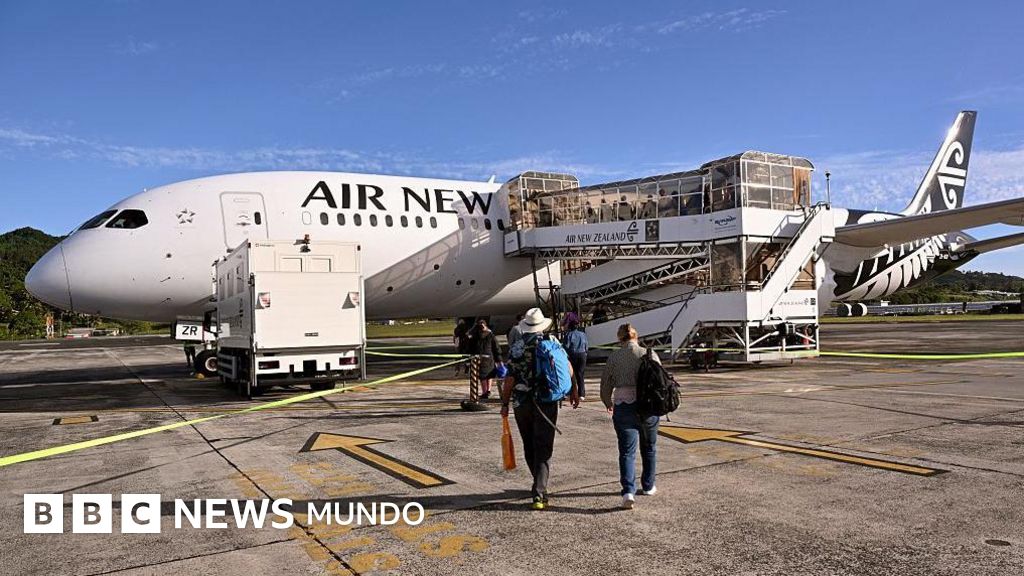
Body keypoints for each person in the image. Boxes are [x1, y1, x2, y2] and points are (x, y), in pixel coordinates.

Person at [500, 308, 579, 510]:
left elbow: (509, 379)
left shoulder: (516, 347)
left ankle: (538, 482)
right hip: (546, 401)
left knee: (529, 444)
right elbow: (568, 369)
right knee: (544, 445)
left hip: (522, 403)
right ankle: (539, 490)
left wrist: (504, 404)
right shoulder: (552, 344)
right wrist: (574, 390)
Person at [601, 323, 660, 510]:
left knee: (627, 451)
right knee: (649, 447)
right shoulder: (648, 354)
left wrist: (608, 402)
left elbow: (605, 384)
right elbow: (660, 377)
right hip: (648, 406)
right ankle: (649, 485)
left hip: (623, 405)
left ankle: (628, 491)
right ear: (636, 336)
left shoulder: (614, 357)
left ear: (620, 338)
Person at [469, 318, 502, 400]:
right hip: (489, 357)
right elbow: (496, 348)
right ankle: (488, 390)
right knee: (489, 375)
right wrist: (499, 359)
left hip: (480, 357)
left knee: (483, 376)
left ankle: (485, 392)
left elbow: (471, 346)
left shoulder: (476, 335)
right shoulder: (490, 335)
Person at [561, 316, 589, 401]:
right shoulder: (583, 334)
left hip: (573, 355)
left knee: (571, 375)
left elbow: (566, 346)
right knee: (580, 374)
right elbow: (586, 345)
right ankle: (582, 394)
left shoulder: (569, 335)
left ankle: (570, 392)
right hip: (582, 355)